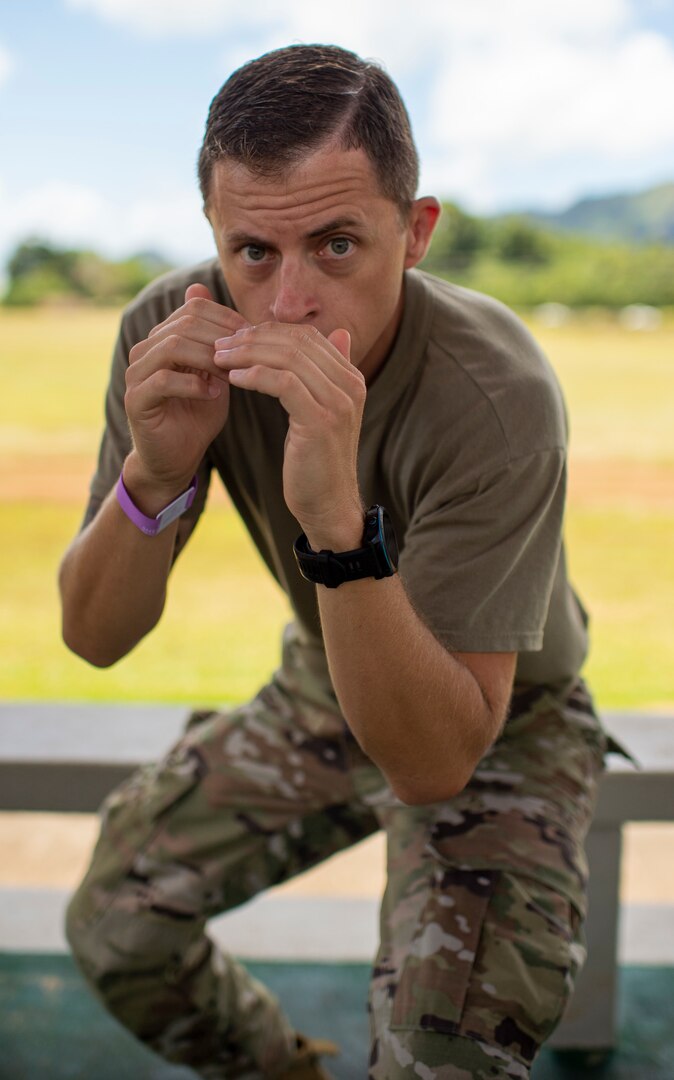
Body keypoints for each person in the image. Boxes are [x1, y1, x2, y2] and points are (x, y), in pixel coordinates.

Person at [60, 43, 608, 1080]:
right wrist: (155, 470)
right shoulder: (173, 335)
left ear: (416, 233)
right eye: (252, 252)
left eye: (337, 244)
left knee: (436, 1055)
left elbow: (433, 760)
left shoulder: (494, 393)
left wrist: (332, 516)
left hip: (498, 713)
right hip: (325, 677)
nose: (287, 305)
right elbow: (94, 638)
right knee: (113, 923)